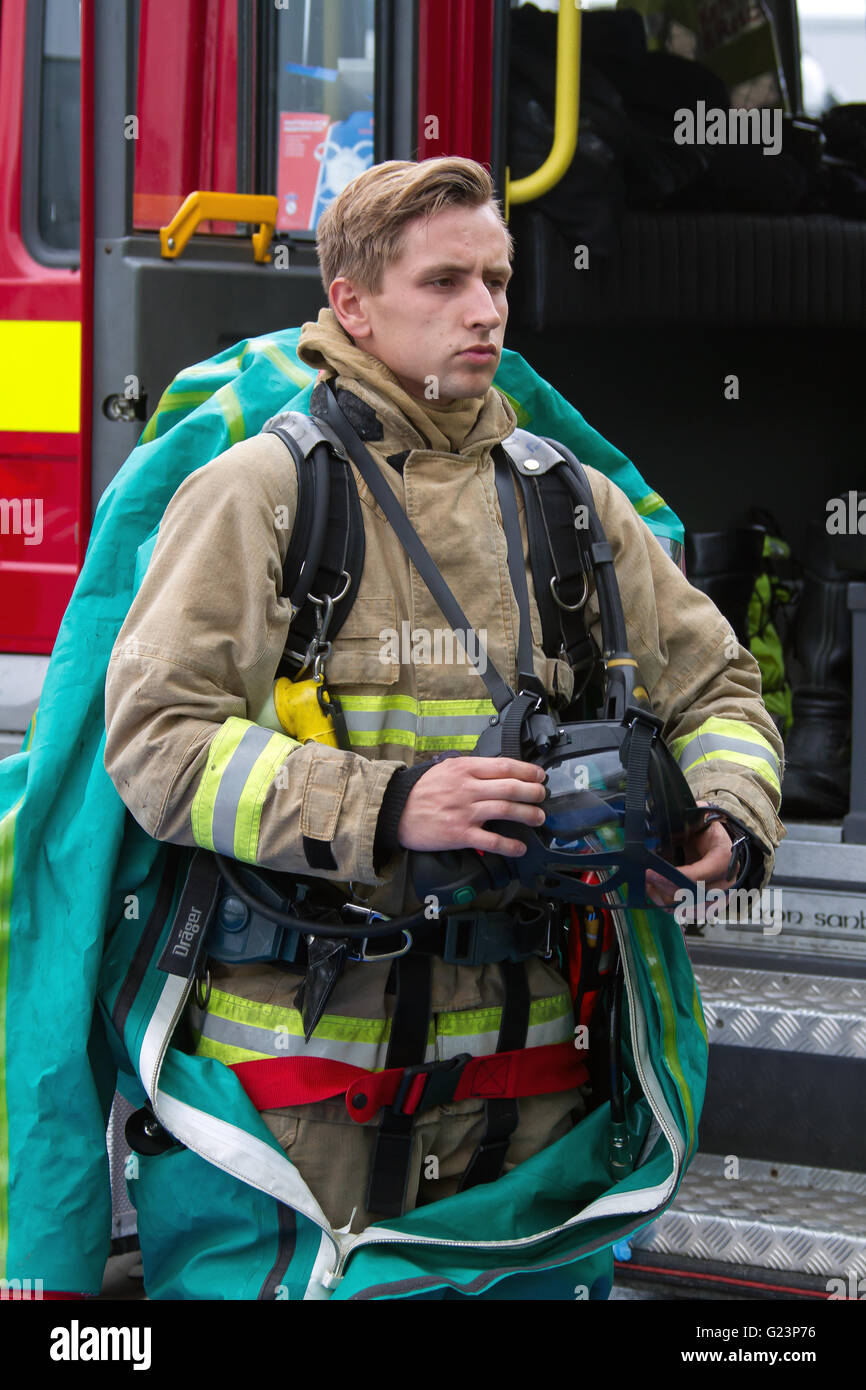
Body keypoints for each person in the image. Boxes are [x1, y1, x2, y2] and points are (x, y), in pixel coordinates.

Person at [103, 156, 783, 1265]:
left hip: (539, 1101)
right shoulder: (261, 495)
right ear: (352, 307)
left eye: (498, 281)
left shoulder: (569, 501)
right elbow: (157, 743)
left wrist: (722, 812)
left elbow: (719, 686)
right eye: (444, 283)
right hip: (295, 1110)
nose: (484, 312)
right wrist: (390, 804)